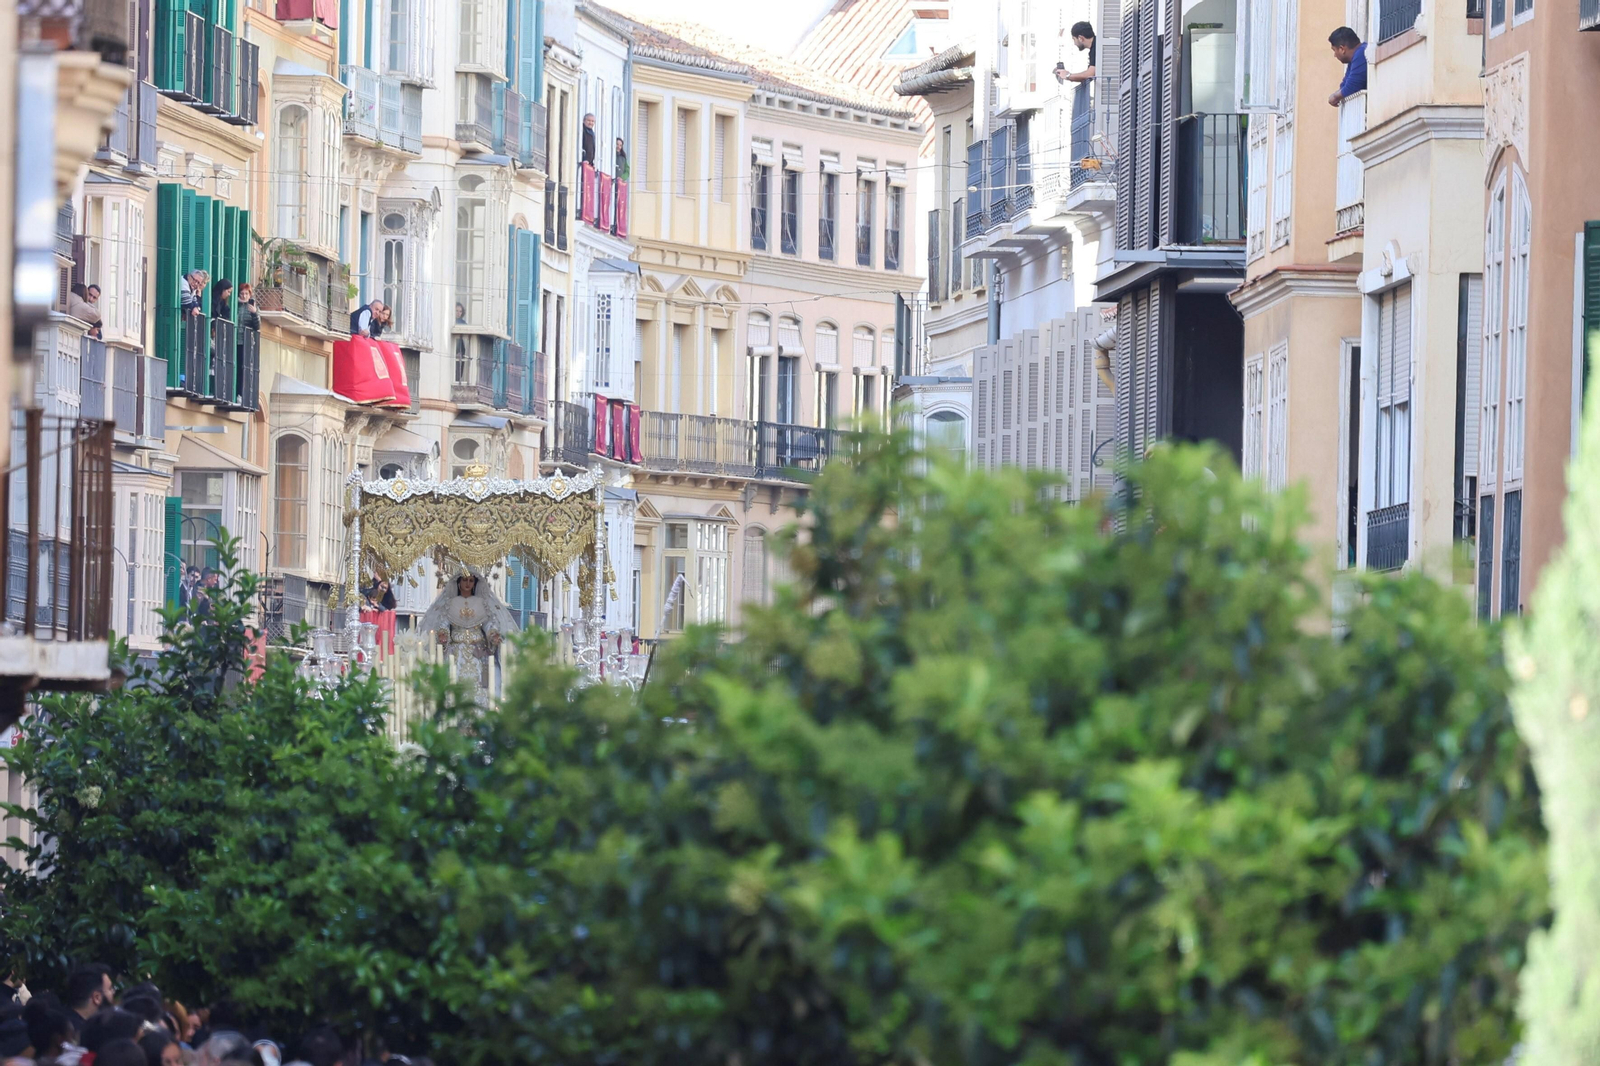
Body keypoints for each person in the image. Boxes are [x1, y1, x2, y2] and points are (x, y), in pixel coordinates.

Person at [420, 569, 518, 703]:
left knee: (481, 684)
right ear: (459, 582)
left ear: (475, 583)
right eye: (465, 580)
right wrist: (443, 634)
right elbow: (444, 623)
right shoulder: (451, 602)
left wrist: (493, 635)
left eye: (471, 581)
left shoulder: (481, 602)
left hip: (477, 651)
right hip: (456, 652)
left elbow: (488, 623)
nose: (467, 583)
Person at [1328, 26, 1367, 105]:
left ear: (1342, 49)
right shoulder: (1354, 58)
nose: (1335, 55)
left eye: (1334, 50)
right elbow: (1344, 84)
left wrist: (1335, 97)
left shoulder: (1361, 54)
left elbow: (1351, 87)